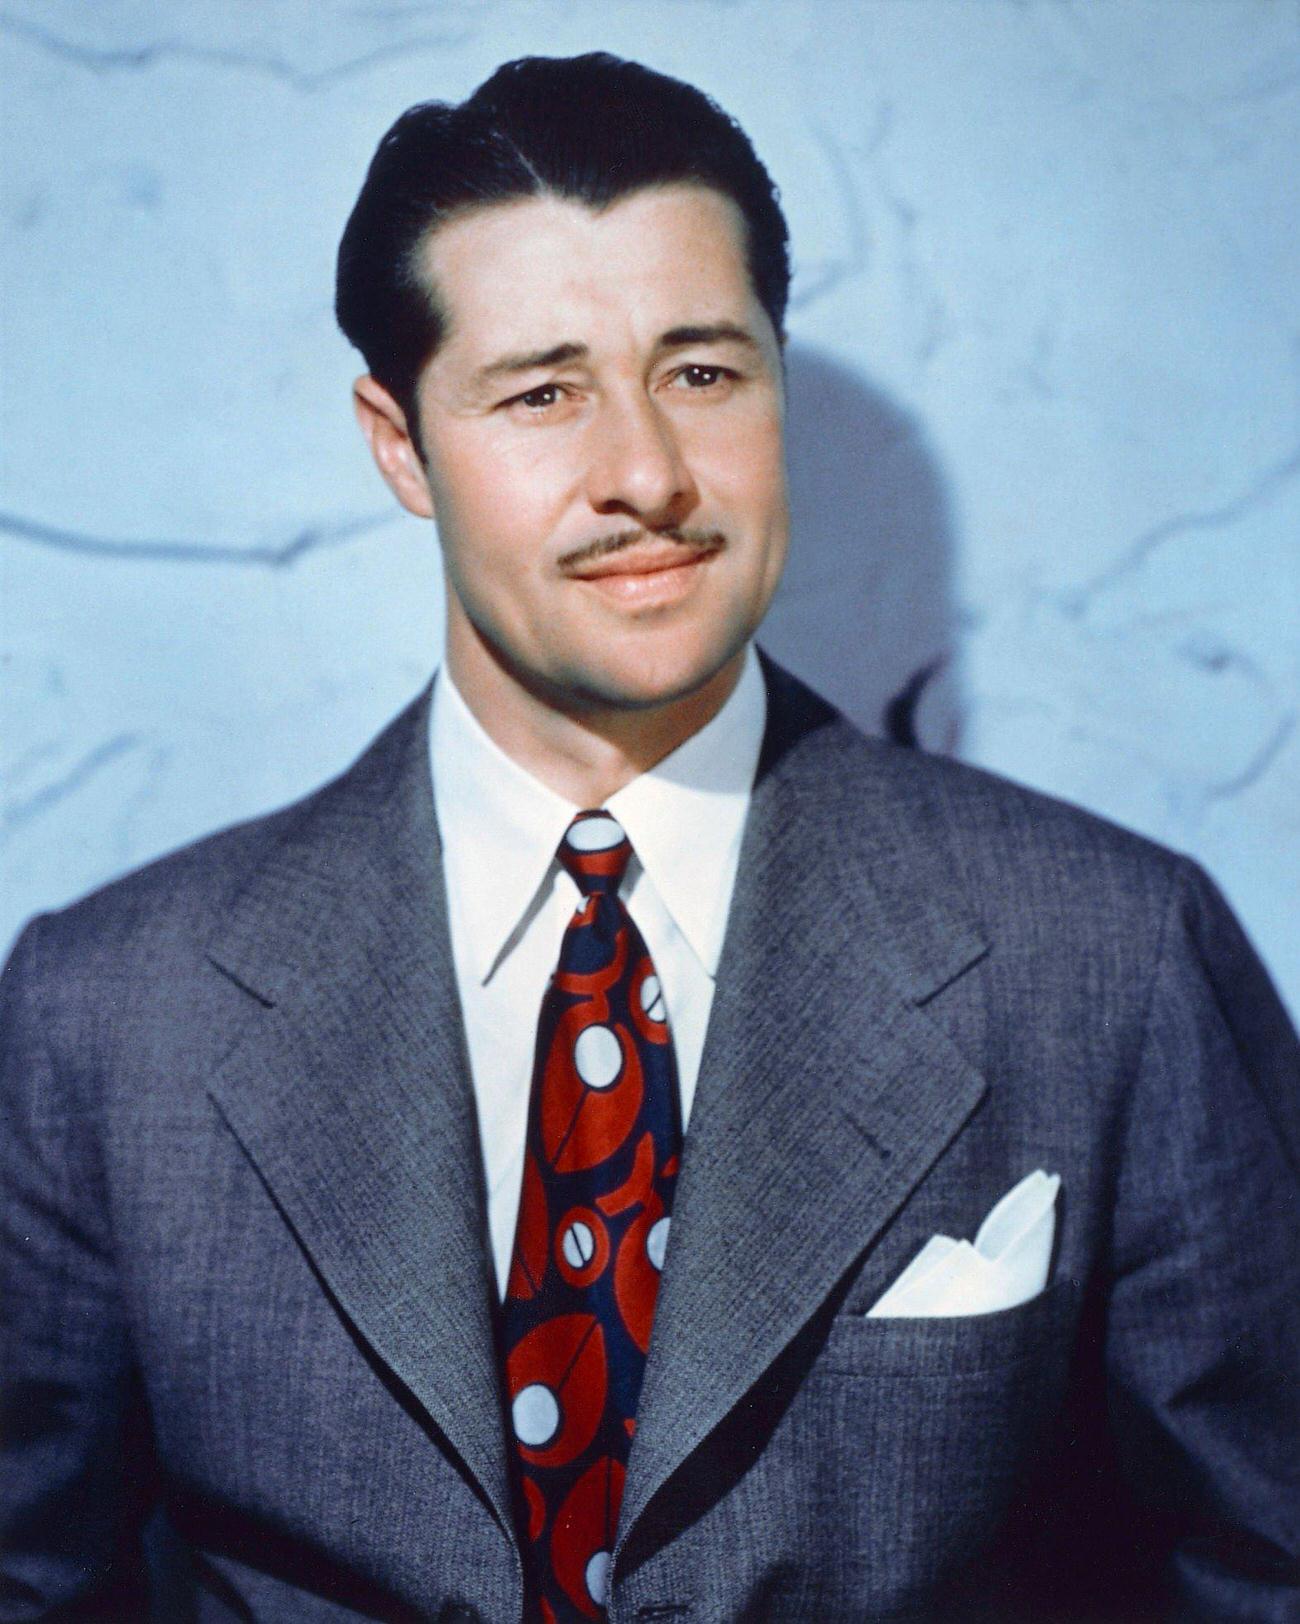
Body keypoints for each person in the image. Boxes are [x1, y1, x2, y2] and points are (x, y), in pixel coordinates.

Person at [2, 51, 1297, 1624]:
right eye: (543, 391)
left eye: (701, 372)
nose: (646, 476)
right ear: (399, 445)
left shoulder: (1113, 956)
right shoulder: (102, 1018)